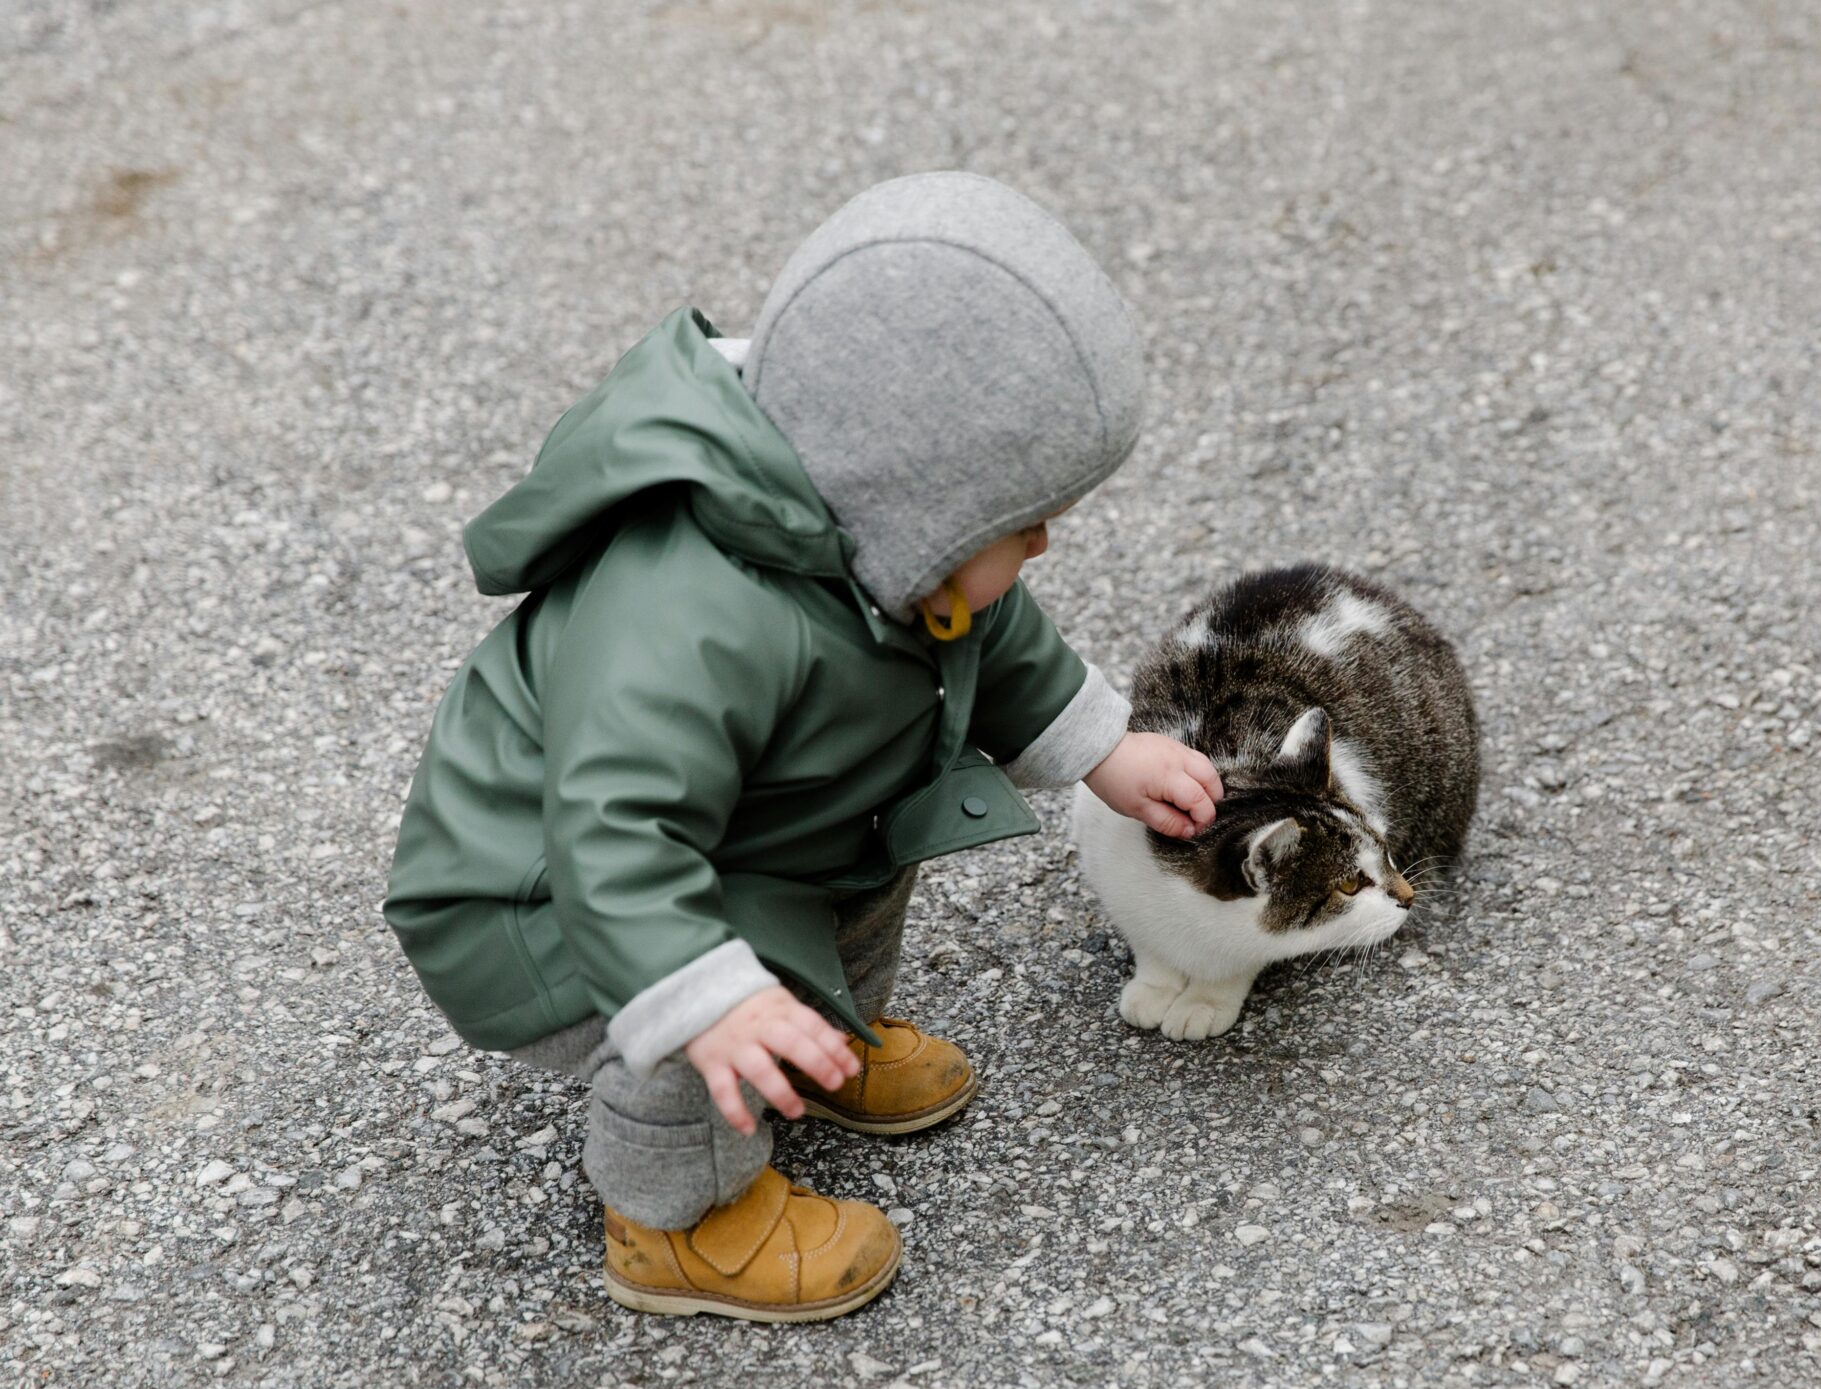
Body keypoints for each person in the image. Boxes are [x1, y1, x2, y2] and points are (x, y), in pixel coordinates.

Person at [382, 172, 1222, 1322]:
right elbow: (612, 830)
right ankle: (676, 1222)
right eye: (1018, 521)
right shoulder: (687, 615)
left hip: (749, 828)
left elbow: (994, 633)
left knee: (871, 856)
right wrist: (710, 999)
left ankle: (822, 1040)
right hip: (545, 894)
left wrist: (1100, 748)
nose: (1038, 541)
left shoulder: (888, 545)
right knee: (704, 1003)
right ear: (911, 499)